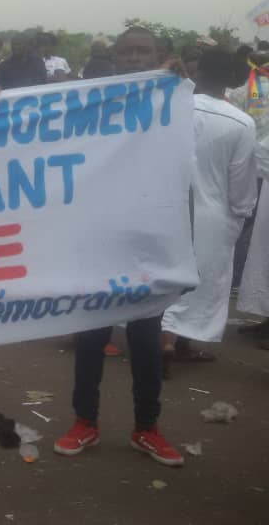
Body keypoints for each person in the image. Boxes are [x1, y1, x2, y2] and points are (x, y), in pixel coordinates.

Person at [53, 27, 187, 468]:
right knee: (91, 338)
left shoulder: (173, 98)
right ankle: (84, 422)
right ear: (114, 56)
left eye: (141, 51)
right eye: (126, 52)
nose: (133, 58)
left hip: (146, 244)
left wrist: (175, 80)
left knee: (146, 344)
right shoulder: (94, 100)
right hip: (97, 241)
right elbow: (43, 124)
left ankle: (146, 428)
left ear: (158, 55)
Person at [160, 48, 256, 369]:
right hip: (213, 216)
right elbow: (240, 181)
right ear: (231, 79)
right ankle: (177, 343)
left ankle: (167, 342)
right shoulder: (242, 123)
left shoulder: (173, 108)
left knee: (167, 274)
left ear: (198, 72)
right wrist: (242, 211)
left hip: (168, 206)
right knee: (201, 281)